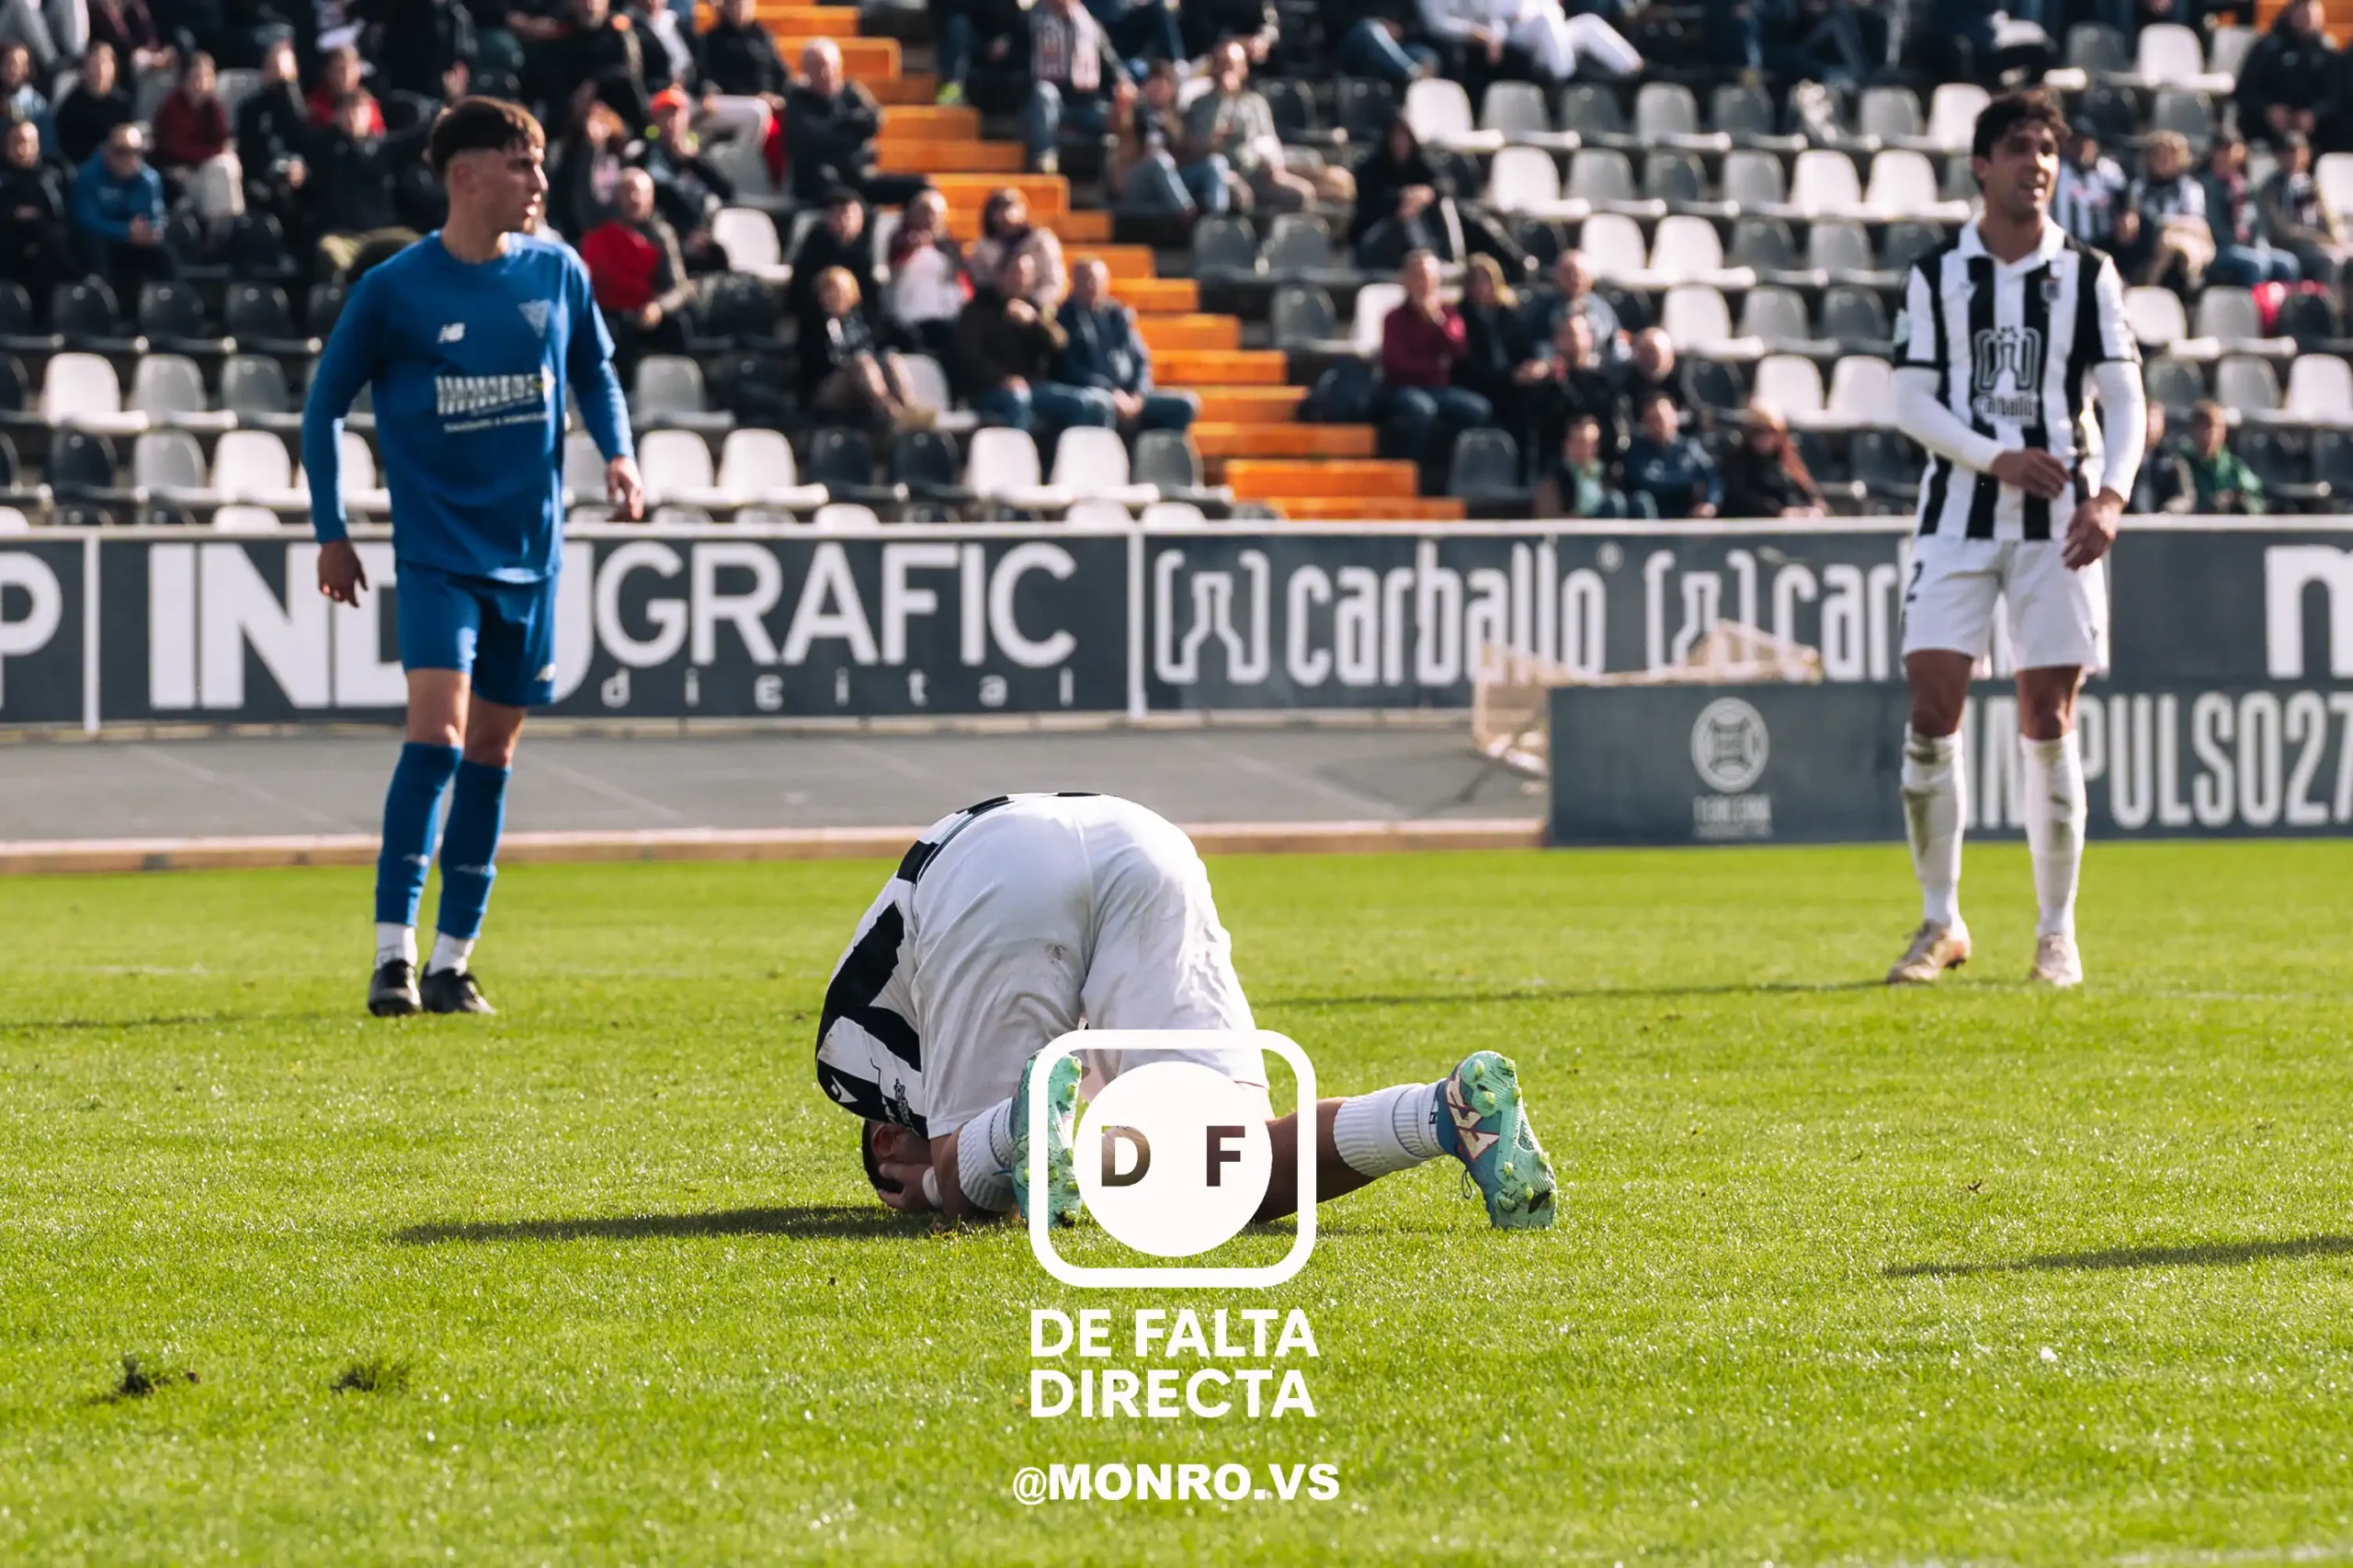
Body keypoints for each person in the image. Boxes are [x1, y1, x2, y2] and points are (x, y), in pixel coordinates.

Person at [821, 791, 1557, 1233]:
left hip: (988, 866)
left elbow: (985, 1201)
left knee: (968, 1171)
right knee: (1233, 1168)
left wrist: (922, 1189)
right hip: (1142, 839)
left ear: (886, 1144)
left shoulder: (852, 1071)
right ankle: (1446, 1113)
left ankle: (975, 1136)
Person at [301, 97, 645, 1018]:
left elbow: (594, 373)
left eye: (537, 164)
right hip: (438, 557)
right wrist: (329, 527)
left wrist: (619, 452)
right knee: (439, 733)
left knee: (493, 749)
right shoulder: (395, 288)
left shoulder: (558, 272)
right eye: (522, 163)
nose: (540, 181)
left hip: (532, 556)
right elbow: (322, 404)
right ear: (466, 175)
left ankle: (455, 961)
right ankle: (392, 954)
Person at [1890, 89, 2146, 990]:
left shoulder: (2089, 275)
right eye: (2018, 147)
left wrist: (2109, 495)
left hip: (2058, 526)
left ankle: (2054, 933)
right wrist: (1995, 456)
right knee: (1931, 710)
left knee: (2048, 720)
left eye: (2047, 149)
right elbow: (1909, 401)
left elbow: (2123, 399)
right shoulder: (1935, 275)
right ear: (1980, 165)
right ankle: (1939, 919)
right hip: (1956, 515)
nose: (2036, 163)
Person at [1182, 40, 1345, 214]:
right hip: (1232, 172)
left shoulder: (1254, 102)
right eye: (1221, 64)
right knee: (1294, 193)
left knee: (1316, 175)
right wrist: (1223, 98)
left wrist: (1274, 162)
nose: (1226, 71)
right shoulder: (1200, 105)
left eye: (1231, 65)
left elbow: (1270, 138)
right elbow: (1200, 147)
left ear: (1243, 68)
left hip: (1263, 169)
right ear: (1213, 68)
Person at [959, 249, 1109, 434]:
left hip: (1035, 388)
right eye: (1015, 272)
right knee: (1018, 400)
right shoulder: (977, 310)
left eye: (1025, 275)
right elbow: (970, 356)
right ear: (1000, 275)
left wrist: (1034, 321)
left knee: (1088, 404)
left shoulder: (1035, 308)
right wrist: (1002, 379)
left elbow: (1060, 343)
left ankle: (1064, 457)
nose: (1019, 279)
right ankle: (1018, 459)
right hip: (990, 390)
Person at [1377, 248, 1489, 481]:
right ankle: (1408, 474)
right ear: (1405, 281)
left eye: (1428, 277)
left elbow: (1458, 349)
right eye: (1417, 276)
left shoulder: (1448, 315)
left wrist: (1436, 322)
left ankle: (1451, 473)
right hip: (1401, 387)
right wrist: (1435, 366)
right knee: (1420, 409)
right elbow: (1396, 363)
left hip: (1438, 389)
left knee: (1477, 410)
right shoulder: (1393, 318)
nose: (1423, 283)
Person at [1054, 256, 1198, 433]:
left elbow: (1142, 361)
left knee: (1185, 404)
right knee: (1098, 404)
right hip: (1096, 393)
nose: (1092, 285)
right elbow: (1071, 368)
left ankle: (1155, 454)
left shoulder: (1118, 316)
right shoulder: (1064, 319)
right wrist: (1112, 393)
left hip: (1131, 396)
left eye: (1097, 280)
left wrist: (1138, 395)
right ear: (1074, 283)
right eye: (1086, 280)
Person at [578, 165, 693, 377]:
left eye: (640, 192)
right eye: (627, 191)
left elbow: (680, 287)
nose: (634, 198)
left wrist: (658, 308)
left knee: (677, 326)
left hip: (645, 313)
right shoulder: (601, 227)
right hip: (609, 312)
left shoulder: (661, 235)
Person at [782, 39, 925, 207]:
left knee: (922, 187)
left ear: (838, 67)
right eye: (813, 66)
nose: (822, 72)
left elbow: (874, 120)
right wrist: (850, 129)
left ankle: (909, 232)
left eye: (825, 65)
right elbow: (809, 138)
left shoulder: (852, 92)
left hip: (859, 175)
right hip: (820, 180)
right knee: (835, 190)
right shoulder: (797, 98)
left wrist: (834, 129)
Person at [310, 91, 431, 281]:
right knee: (328, 254)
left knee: (425, 250)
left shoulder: (383, 146)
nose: (353, 116)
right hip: (342, 237)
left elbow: (417, 137)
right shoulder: (321, 147)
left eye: (359, 110)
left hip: (384, 233)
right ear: (336, 115)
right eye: (347, 110)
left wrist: (445, 111)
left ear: (369, 114)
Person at [802, 265, 928, 429]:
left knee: (890, 358)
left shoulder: (864, 319)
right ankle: (890, 413)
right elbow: (813, 365)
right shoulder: (813, 324)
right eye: (829, 291)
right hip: (829, 387)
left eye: (841, 291)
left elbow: (882, 345)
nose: (836, 296)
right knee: (862, 362)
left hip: (865, 381)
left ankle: (910, 408)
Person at [1023, 0, 1131, 176]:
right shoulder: (1032, 20)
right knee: (1044, 93)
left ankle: (1122, 172)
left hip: (1086, 103)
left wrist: (1123, 83)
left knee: (1122, 116)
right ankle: (1045, 157)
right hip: (1052, 102)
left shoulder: (1089, 24)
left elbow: (1111, 63)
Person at [631, 85, 731, 271]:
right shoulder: (647, 156)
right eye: (665, 115)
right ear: (655, 120)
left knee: (718, 255)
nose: (671, 122)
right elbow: (664, 194)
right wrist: (686, 232)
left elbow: (725, 189)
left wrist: (693, 161)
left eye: (676, 115)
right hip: (666, 234)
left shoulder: (694, 157)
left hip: (701, 231)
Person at [71, 121, 176, 297]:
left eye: (135, 152)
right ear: (107, 150)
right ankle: (98, 302)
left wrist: (152, 231)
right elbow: (86, 221)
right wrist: (125, 231)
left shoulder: (149, 180)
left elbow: (155, 218)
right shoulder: (87, 176)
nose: (128, 158)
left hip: (133, 244)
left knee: (163, 253)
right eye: (121, 151)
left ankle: (172, 303)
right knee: (92, 243)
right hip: (101, 242)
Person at [1113, 56, 1227, 217]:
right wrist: (1123, 105)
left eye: (1163, 84)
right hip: (1137, 180)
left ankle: (1217, 220)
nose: (1157, 89)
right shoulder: (1135, 112)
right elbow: (1120, 126)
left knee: (1216, 163)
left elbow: (1189, 152)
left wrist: (1212, 143)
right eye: (1153, 83)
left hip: (1172, 181)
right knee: (1160, 160)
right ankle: (1187, 215)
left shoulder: (1178, 118)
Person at [883, 186, 969, 369]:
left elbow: (961, 281)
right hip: (911, 317)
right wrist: (912, 246)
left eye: (936, 213)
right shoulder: (901, 240)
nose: (931, 218)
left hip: (945, 314)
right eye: (926, 212)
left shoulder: (948, 246)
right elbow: (894, 261)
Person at [235, 35, 311, 240]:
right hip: (264, 177)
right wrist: (273, 171)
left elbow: (306, 142)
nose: (276, 73)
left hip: (297, 174)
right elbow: (248, 154)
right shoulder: (250, 108)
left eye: (282, 69)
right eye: (271, 66)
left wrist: (299, 167)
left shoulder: (300, 106)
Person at [2117, 130, 2211, 292]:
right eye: (2159, 155)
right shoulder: (2139, 187)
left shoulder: (2190, 188)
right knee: (2168, 241)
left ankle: (2157, 285)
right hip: (2147, 245)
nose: (2164, 161)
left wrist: (2166, 223)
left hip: (2184, 240)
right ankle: (2187, 278)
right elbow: (2131, 222)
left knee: (2174, 241)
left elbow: (2196, 223)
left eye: (2171, 156)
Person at [2201, 132, 2300, 288]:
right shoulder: (2206, 187)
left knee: (2287, 262)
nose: (2228, 156)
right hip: (2219, 248)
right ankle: (2251, 309)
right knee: (2256, 263)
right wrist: (2243, 246)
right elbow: (2214, 228)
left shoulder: (2247, 188)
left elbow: (2260, 225)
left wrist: (2261, 245)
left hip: (2248, 247)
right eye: (2224, 150)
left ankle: (2285, 309)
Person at [2234, 0, 2335, 151]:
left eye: (2311, 16)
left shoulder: (2327, 52)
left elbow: (2335, 95)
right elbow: (2244, 91)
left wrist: (2314, 114)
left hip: (2313, 132)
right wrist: (2267, 109)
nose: (2306, 21)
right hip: (2267, 129)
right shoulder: (2267, 48)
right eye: (2303, 15)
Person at [152, 51, 244, 214]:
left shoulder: (212, 106)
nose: (200, 83)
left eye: (206, 77)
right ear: (185, 80)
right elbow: (176, 150)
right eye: (195, 77)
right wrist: (214, 152)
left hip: (204, 167)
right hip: (179, 171)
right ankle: (224, 229)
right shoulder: (172, 107)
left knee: (227, 166)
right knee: (222, 168)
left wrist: (212, 106)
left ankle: (223, 225)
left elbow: (221, 139)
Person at [784, 184, 881, 338]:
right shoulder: (816, 241)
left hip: (856, 317)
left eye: (849, 215)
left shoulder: (864, 245)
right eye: (837, 214)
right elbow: (800, 289)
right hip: (818, 318)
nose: (844, 220)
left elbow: (868, 291)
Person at [2258, 133, 2352, 290]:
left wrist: (2337, 238)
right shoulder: (2271, 189)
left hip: (2318, 244)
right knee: (2329, 260)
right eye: (2289, 153)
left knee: (2346, 257)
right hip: (2291, 246)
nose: (2295, 158)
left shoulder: (2310, 184)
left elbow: (2327, 216)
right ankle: (2325, 305)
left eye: (2299, 152)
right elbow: (2283, 230)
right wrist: (2318, 239)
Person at [0, 116, 74, 308]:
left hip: (42, 248)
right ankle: (74, 272)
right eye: (16, 142)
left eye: (28, 143)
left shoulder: (49, 175)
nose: (22, 150)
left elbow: (59, 216)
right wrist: (13, 215)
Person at [1517, 250, 1625, 370]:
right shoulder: (1540, 308)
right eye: (1567, 273)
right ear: (1556, 276)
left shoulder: (1602, 309)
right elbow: (1533, 345)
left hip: (1598, 374)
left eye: (1578, 274)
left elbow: (1617, 349)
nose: (1574, 279)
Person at [1454, 252, 1532, 414]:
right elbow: (1468, 363)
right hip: (1481, 382)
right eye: (1475, 281)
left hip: (1514, 377)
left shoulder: (1509, 314)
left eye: (1487, 280)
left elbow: (1524, 349)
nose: (1482, 286)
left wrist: (1530, 368)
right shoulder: (1461, 316)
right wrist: (1508, 376)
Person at [1620, 392, 1719, 518]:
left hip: (1684, 516)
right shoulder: (1636, 450)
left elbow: (1713, 477)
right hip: (1651, 516)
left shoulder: (1689, 448)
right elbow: (1646, 480)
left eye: (1663, 418)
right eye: (1653, 419)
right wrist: (1686, 479)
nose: (1659, 425)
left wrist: (1709, 502)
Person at [967, 186, 1065, 310]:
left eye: (1010, 206)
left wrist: (1032, 305)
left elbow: (1055, 283)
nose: (1005, 214)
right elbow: (981, 284)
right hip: (996, 309)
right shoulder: (982, 249)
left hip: (1039, 307)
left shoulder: (1042, 242)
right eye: (997, 208)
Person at [1721, 402, 1824, 517]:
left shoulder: (1785, 458)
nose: (1764, 437)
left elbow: (1804, 486)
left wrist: (1815, 504)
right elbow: (1743, 496)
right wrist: (1779, 512)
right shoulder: (1737, 461)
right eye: (1757, 431)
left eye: (1770, 431)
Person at [51, 40, 131, 167]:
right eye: (94, 64)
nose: (99, 70)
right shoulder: (72, 103)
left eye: (104, 64)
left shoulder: (122, 104)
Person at [1323, 0, 1439, 85]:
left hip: (1394, 46)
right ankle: (1414, 74)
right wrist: (1378, 25)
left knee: (1426, 56)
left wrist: (1400, 29)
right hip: (1351, 43)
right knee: (1370, 29)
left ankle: (1417, 98)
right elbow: (1332, 16)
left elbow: (1412, 21)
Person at [2051, 121, 2126, 252]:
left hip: (2102, 243)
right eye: (2075, 142)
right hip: (2063, 243)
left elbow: (2127, 199)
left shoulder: (2109, 170)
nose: (2081, 147)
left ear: (2095, 145)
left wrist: (2128, 215)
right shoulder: (2056, 169)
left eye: (2086, 142)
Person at [2181, 400, 2266, 514]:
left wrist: (2240, 501)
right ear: (2192, 430)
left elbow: (2256, 502)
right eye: (2203, 426)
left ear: (2223, 431)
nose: (2209, 433)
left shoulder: (2235, 469)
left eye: (2214, 426)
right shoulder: (2181, 465)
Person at [1540, 413, 1628, 518]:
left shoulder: (1606, 474)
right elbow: (1548, 519)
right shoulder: (1553, 479)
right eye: (1583, 442)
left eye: (1594, 443)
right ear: (1567, 444)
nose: (1589, 449)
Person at [701, 0, 788, 101]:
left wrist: (777, 96)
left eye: (744, 5)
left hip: (764, 100)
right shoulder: (713, 38)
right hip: (730, 101)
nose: (739, 9)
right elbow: (706, 74)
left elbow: (779, 72)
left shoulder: (763, 35)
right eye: (733, 5)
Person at [2131, 401, 2194, 515]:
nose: (2149, 423)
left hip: (2162, 526)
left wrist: (2168, 510)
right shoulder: (2122, 462)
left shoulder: (2173, 461)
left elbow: (2185, 497)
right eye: (2145, 417)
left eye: (2154, 418)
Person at [308, 46, 384, 134]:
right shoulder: (315, 104)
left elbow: (379, 135)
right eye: (340, 69)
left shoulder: (368, 104)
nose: (346, 74)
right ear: (328, 72)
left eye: (351, 68)